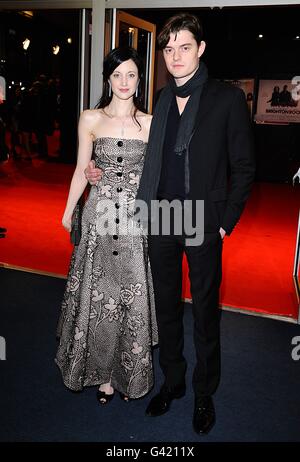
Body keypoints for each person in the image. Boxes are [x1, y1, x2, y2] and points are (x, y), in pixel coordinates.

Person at [85, 13, 255, 434]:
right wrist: (97, 171)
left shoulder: (225, 98)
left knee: (203, 313)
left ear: (200, 49)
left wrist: (224, 222)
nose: (175, 55)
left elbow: (244, 166)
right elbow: (136, 154)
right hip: (158, 215)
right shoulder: (160, 99)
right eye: (168, 48)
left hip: (202, 220)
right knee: (165, 310)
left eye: (184, 47)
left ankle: (203, 392)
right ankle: (173, 383)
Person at [55, 47, 158, 404]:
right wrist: (70, 211)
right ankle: (102, 377)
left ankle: (126, 373)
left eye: (131, 74)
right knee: (99, 298)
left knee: (128, 298)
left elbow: (156, 177)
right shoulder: (90, 118)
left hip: (132, 223)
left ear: (139, 78)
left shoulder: (150, 123)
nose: (124, 82)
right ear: (108, 78)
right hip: (99, 218)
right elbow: (82, 170)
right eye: (117, 75)